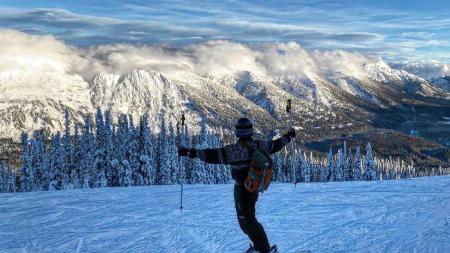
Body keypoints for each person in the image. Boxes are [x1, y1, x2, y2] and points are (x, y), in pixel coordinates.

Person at [178, 118, 296, 253]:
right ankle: (261, 247)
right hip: (254, 187)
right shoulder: (259, 145)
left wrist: (191, 152)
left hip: (242, 189)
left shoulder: (234, 150)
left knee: (246, 221)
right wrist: (288, 137)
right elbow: (275, 145)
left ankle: (263, 249)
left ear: (238, 132)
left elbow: (213, 155)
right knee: (249, 218)